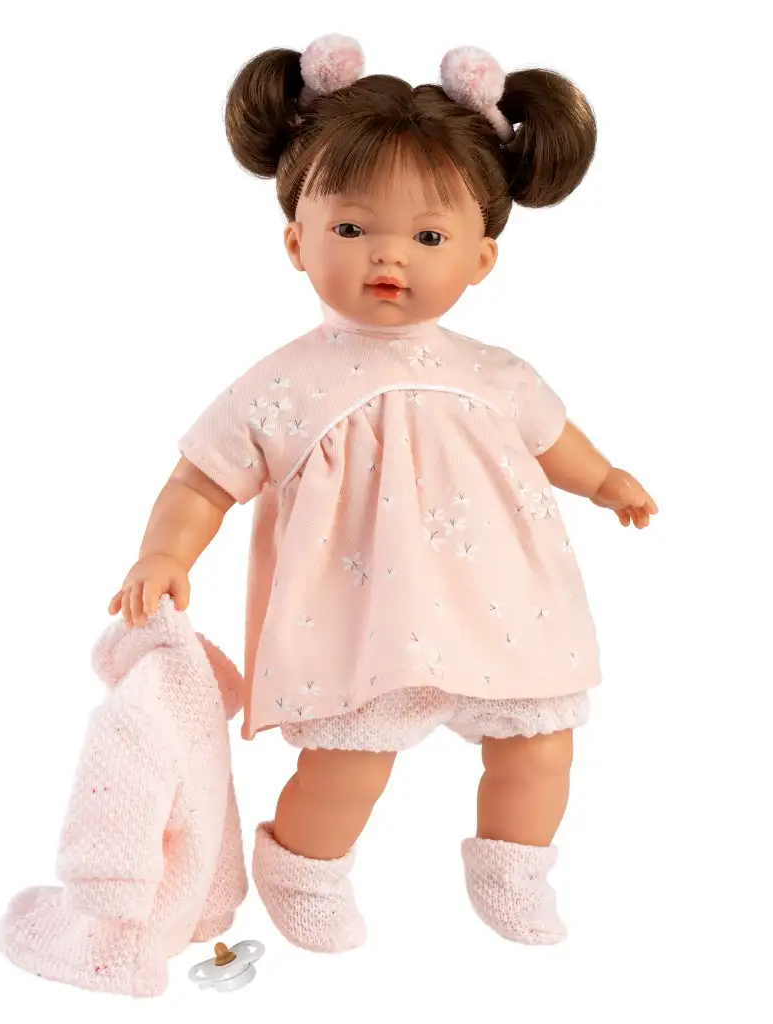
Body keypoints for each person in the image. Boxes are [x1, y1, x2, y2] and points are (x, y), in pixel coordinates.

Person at [109, 35, 658, 953]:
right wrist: (165, 551)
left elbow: (551, 438)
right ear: (298, 241)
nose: (387, 257)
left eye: (429, 237)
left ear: (481, 259)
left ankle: (513, 870)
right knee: (348, 766)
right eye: (352, 230)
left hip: (505, 603)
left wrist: (604, 480)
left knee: (540, 747)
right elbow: (202, 476)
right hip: (363, 614)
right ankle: (302, 869)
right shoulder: (287, 383)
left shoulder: (495, 372)